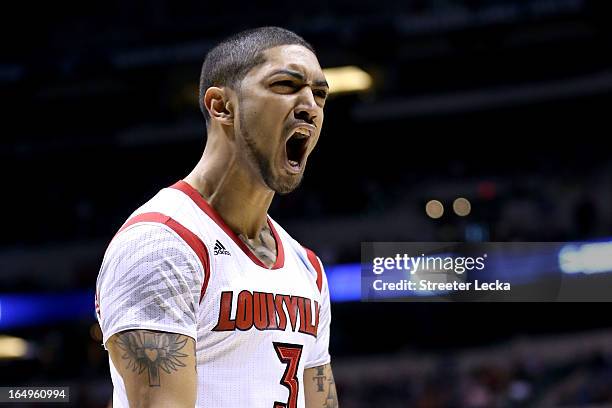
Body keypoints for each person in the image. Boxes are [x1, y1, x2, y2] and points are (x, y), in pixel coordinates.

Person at [95, 26, 339, 408]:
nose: (310, 105)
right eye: (286, 85)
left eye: (320, 94)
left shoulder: (308, 267)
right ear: (222, 106)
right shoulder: (161, 243)